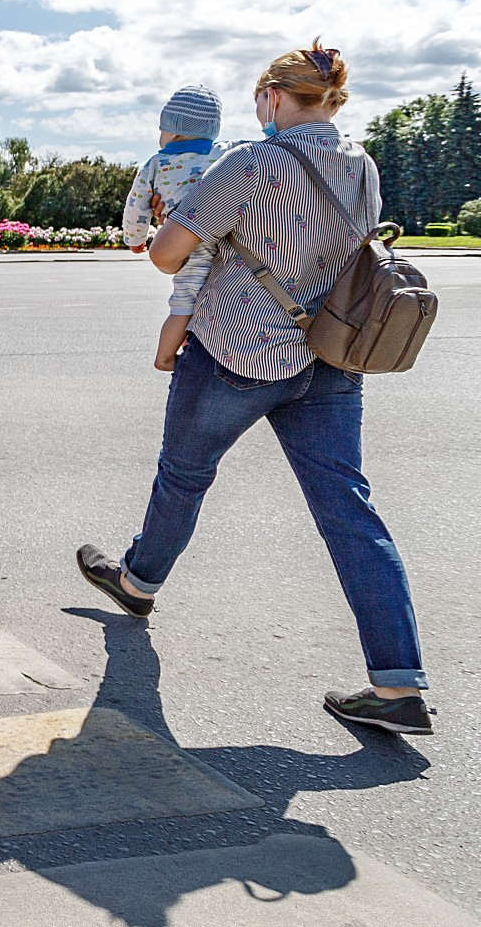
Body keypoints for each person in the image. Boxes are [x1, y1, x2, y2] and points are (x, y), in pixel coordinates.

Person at [77, 43, 433, 736]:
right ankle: (399, 683)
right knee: (348, 510)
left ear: (274, 96)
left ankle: (139, 581)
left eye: (257, 97)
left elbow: (166, 253)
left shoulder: (248, 162)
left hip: (236, 350)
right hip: (330, 357)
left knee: (184, 474)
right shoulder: (362, 165)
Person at [123, 87, 227, 371]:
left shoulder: (156, 164)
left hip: (183, 242)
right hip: (221, 238)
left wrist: (135, 240)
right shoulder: (225, 153)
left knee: (183, 304)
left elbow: (137, 206)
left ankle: (165, 358)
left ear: (172, 131)